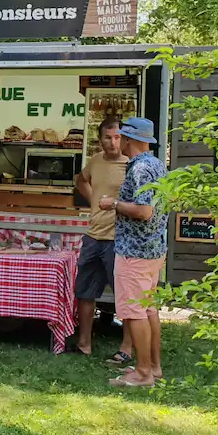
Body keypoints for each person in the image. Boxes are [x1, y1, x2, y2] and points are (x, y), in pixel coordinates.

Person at [99, 118, 169, 388]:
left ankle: (142, 374)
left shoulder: (139, 168)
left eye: (122, 137)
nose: (119, 142)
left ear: (129, 139)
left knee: (135, 312)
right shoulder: (157, 164)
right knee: (149, 309)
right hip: (153, 249)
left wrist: (113, 203)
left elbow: (144, 211)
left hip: (135, 251)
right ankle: (153, 366)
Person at [72, 117, 132, 360]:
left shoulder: (130, 165)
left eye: (117, 137)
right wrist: (93, 200)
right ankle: (84, 343)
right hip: (93, 236)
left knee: (124, 297)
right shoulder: (95, 161)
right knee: (85, 292)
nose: (113, 142)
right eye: (108, 137)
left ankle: (127, 348)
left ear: (123, 139)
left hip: (118, 239)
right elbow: (80, 180)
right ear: (100, 139)